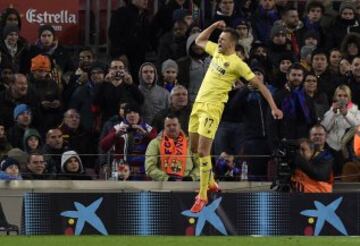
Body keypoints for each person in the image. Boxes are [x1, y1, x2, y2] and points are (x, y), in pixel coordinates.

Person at [188, 21, 283, 212]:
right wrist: (215, 25)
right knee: (194, 149)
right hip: (198, 105)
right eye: (219, 39)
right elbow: (199, 40)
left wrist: (274, 107)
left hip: (213, 108)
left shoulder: (238, 65)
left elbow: (261, 86)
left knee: (203, 151)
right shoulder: (216, 51)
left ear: (231, 43)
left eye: (222, 39)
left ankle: (203, 195)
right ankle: (212, 181)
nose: (219, 42)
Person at [145, 114, 199, 181]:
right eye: (168, 125)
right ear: (164, 127)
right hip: (162, 184)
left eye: (174, 125)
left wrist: (191, 178)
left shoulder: (190, 143)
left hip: (187, 183)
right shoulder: (155, 143)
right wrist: (166, 178)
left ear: (179, 126)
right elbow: (149, 167)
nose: (172, 127)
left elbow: (201, 166)